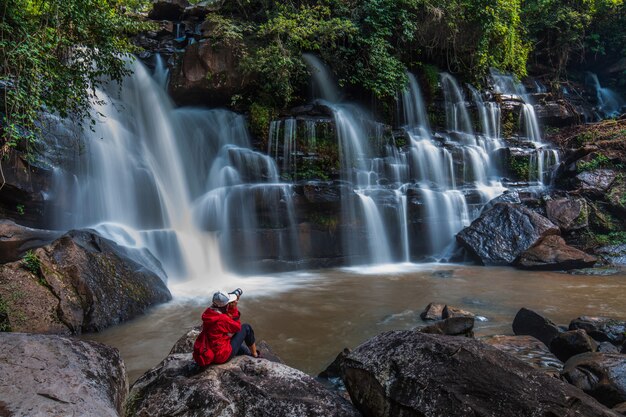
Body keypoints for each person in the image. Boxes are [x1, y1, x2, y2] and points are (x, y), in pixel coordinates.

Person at [193, 288, 259, 367]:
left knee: (244, 350)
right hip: (221, 355)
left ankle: (248, 354)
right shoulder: (222, 319)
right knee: (246, 327)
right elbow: (237, 327)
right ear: (226, 305)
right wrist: (233, 308)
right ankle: (255, 355)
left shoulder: (209, 312)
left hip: (211, 350)